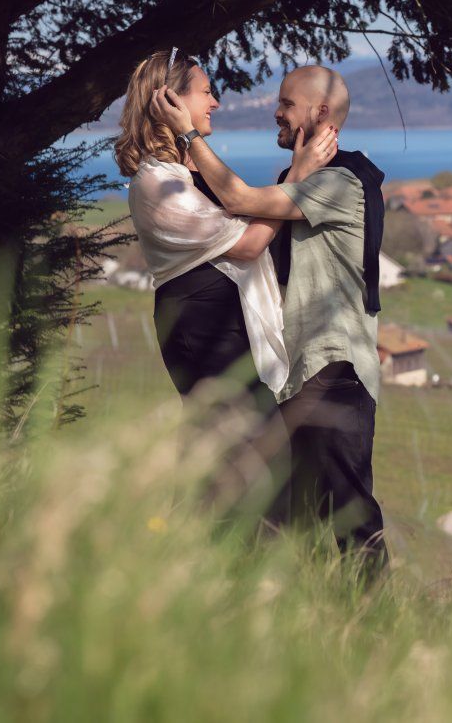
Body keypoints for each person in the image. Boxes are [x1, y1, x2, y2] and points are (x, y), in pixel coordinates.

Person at [151, 64, 389, 583]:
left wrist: (188, 135)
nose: (275, 111)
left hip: (335, 368)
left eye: (286, 103)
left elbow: (239, 201)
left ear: (320, 112)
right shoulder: (299, 178)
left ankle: (374, 625)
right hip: (299, 374)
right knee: (292, 515)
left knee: (349, 513)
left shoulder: (342, 181)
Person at [115, 48, 337, 533]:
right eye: (206, 92)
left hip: (216, 329)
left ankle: (200, 576)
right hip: (202, 332)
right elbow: (251, 243)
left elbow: (247, 212)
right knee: (251, 468)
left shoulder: (183, 176)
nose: (215, 103)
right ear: (168, 101)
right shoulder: (157, 184)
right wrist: (299, 175)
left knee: (225, 466)